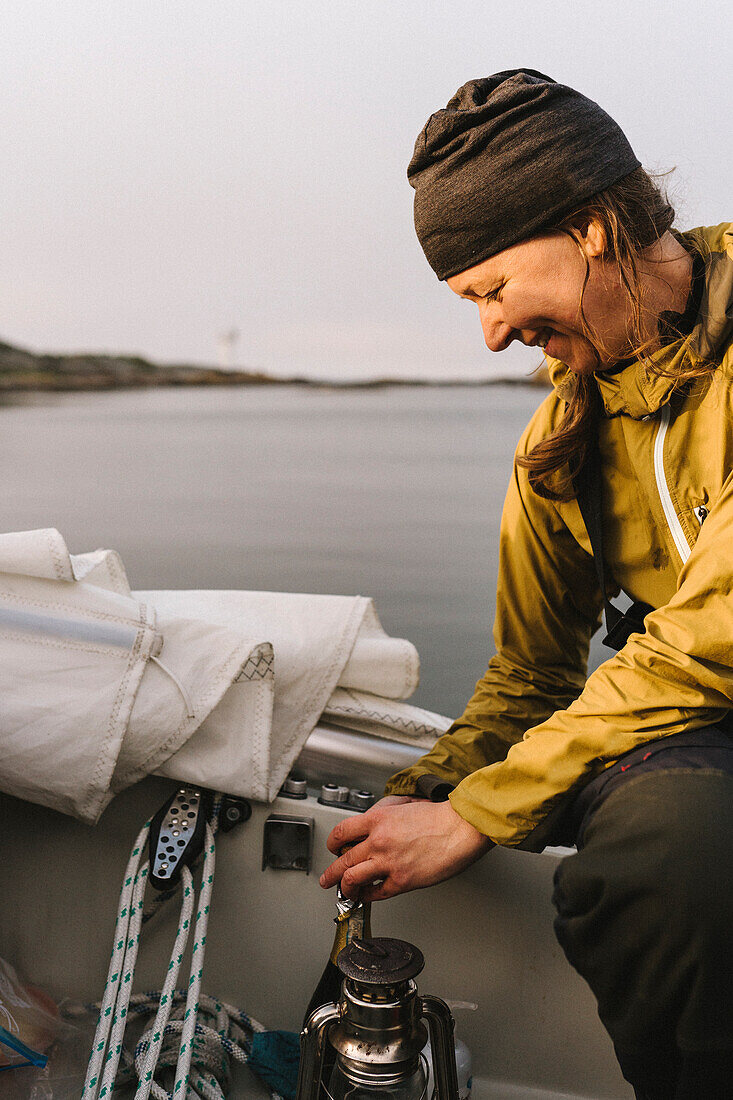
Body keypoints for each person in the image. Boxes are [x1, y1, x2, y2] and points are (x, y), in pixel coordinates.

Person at [318, 70, 733, 1099]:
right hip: (697, 727)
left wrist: (484, 810)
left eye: (493, 289)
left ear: (592, 225)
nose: (492, 333)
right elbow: (528, 674)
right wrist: (433, 789)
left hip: (700, 677)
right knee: (668, 853)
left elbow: (709, 634)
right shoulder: (559, 444)